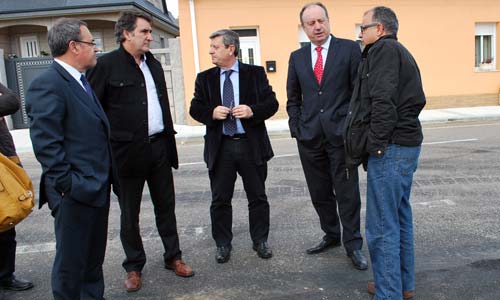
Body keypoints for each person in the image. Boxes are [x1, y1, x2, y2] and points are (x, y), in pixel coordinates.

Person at [86, 11, 193, 292]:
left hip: (158, 147)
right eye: (144, 31)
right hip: (125, 153)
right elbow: (92, 112)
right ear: (126, 33)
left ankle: (174, 257)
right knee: (129, 213)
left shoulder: (153, 64)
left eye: (150, 32)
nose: (149, 36)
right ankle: (134, 266)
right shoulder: (105, 65)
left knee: (165, 207)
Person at [26, 18, 114, 299]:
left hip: (94, 188)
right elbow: (46, 144)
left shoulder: (80, 81)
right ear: (73, 46)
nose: (96, 49)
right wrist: (69, 185)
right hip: (75, 193)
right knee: (71, 268)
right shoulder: (48, 84)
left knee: (91, 264)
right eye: (91, 43)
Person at [286, 2, 367, 270]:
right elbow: (293, 98)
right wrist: (297, 128)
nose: (317, 26)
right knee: (319, 193)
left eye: (321, 20)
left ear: (328, 21)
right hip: (309, 138)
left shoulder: (349, 49)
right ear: (304, 27)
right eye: (311, 23)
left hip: (341, 138)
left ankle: (353, 244)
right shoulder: (297, 57)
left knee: (347, 193)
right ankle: (331, 235)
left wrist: (352, 127)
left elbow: (359, 92)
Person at [352, 6, 425, 300]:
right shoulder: (399, 52)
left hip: (392, 148)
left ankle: (389, 292)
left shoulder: (382, 51)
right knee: (399, 218)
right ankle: (401, 286)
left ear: (379, 29)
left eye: (363, 27)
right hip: (405, 145)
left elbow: (382, 102)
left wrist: (375, 146)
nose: (360, 32)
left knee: (382, 226)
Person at [190, 29, 278, 264]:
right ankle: (222, 244)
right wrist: (211, 113)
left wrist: (252, 111)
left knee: (258, 197)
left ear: (231, 49)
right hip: (221, 148)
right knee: (220, 199)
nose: (211, 51)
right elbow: (194, 108)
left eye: (215, 47)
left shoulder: (255, 74)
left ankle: (260, 240)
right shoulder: (205, 78)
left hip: (251, 146)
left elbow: (272, 103)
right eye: (210, 47)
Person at [0, 83, 34, 292]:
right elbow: (8, 100)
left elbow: (11, 101)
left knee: (6, 220)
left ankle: (5, 275)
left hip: (4, 161)